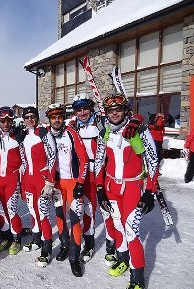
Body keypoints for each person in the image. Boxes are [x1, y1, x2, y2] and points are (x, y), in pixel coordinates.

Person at [94, 92, 159, 289]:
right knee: (117, 226)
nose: (114, 113)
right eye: (111, 110)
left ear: (126, 110)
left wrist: (150, 191)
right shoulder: (105, 131)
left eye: (118, 109)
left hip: (132, 186)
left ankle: (137, 277)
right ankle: (122, 258)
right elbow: (98, 161)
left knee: (132, 231)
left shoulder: (139, 130)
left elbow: (153, 161)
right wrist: (99, 187)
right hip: (111, 186)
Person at [70, 93, 117, 266]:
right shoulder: (72, 127)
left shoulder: (102, 122)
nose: (82, 112)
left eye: (85, 108)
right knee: (89, 210)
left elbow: (131, 120)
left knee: (108, 210)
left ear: (91, 108)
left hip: (104, 172)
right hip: (85, 173)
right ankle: (89, 243)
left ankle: (112, 244)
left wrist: (136, 120)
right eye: (78, 109)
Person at [45, 103, 89, 276]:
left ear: (63, 118)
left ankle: (74, 256)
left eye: (60, 116)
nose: (57, 120)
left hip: (72, 181)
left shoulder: (71, 133)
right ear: (49, 119)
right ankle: (64, 245)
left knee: (75, 219)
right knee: (60, 216)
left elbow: (84, 159)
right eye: (53, 117)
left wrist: (80, 182)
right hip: (56, 183)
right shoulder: (45, 134)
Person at [20, 106, 57, 268]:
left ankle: (47, 248)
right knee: (33, 211)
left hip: (42, 180)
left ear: (37, 117)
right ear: (24, 120)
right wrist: (22, 182)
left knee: (43, 214)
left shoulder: (43, 133)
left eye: (32, 116)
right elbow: (23, 161)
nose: (30, 119)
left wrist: (50, 181)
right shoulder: (24, 135)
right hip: (29, 179)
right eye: (27, 117)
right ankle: (36, 240)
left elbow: (53, 157)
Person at [0, 106, 23, 255]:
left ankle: (16, 238)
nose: (6, 123)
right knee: (1, 210)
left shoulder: (19, 136)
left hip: (12, 179)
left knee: (12, 210)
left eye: (9, 120)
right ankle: (6, 237)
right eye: (3, 120)